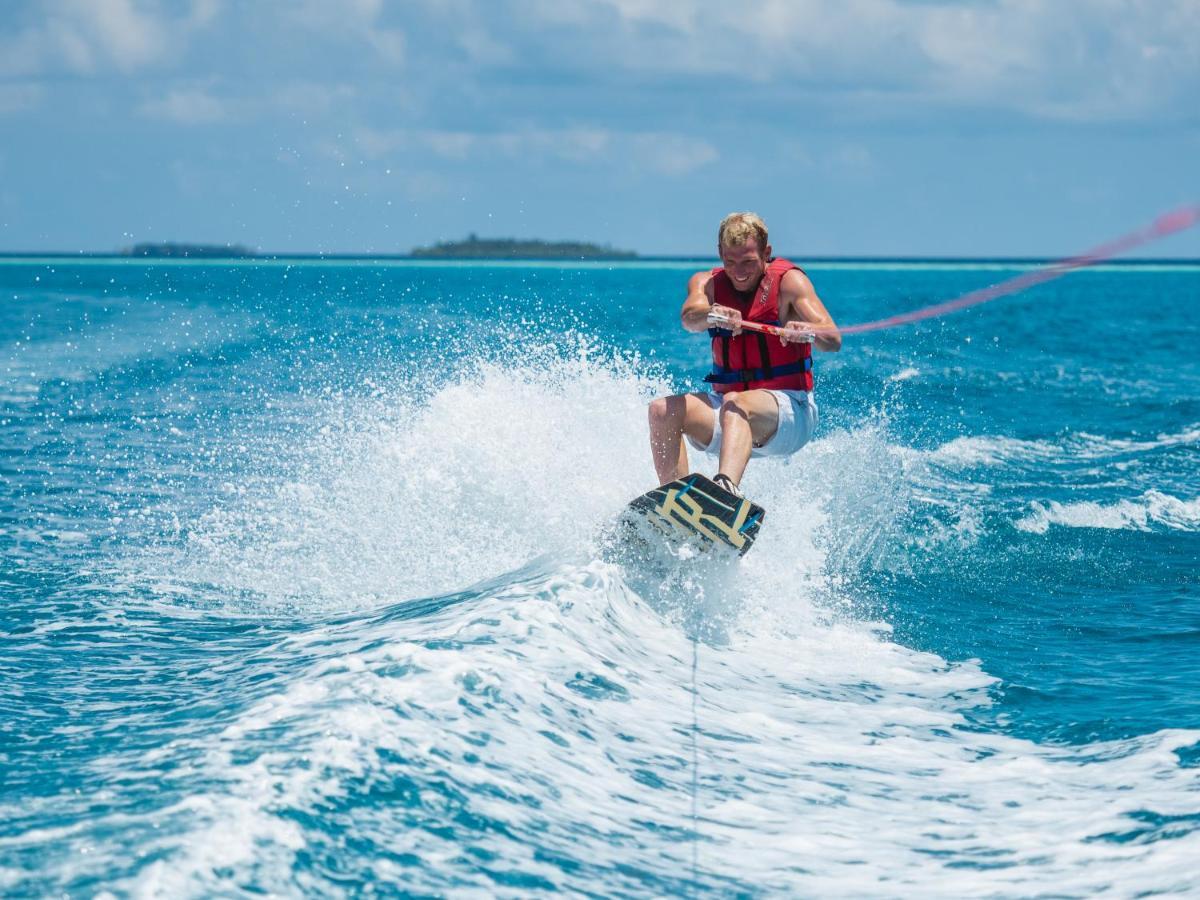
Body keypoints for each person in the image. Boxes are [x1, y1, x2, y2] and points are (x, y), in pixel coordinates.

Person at [647, 212, 840, 496]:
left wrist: (805, 328)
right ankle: (675, 503)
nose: (738, 272)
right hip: (730, 415)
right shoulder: (706, 284)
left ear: (767, 253)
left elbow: (832, 338)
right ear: (720, 254)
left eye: (748, 262)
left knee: (736, 404)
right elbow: (689, 318)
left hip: (789, 414)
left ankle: (725, 491)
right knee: (662, 410)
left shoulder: (789, 283)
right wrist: (712, 313)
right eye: (730, 262)